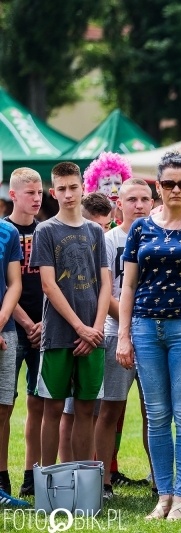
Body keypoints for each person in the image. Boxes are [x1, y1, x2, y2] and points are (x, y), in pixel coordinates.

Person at [116, 152, 181, 521]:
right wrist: (123, 336)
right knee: (157, 414)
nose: (175, 190)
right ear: (157, 187)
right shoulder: (141, 228)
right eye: (167, 184)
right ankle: (162, 496)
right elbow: (128, 285)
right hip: (145, 329)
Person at [31, 162, 111, 466]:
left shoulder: (95, 231)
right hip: (60, 334)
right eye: (61, 189)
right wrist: (81, 329)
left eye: (73, 187)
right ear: (54, 192)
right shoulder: (46, 230)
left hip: (93, 335)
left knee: (87, 409)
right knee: (52, 408)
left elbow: (105, 284)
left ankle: (83, 480)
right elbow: (49, 286)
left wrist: (96, 329)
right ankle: (48, 480)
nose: (68, 194)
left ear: (83, 188)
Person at [96, 178, 154, 501]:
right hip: (115, 332)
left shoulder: (161, 236)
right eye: (132, 199)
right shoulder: (108, 240)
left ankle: (159, 479)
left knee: (154, 412)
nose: (139, 205)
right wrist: (130, 327)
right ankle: (103, 481)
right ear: (119, 202)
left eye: (145, 199)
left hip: (152, 337)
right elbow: (106, 292)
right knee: (109, 410)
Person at [6, 168, 44, 498]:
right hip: (12, 325)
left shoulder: (45, 232)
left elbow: (52, 283)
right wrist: (25, 322)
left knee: (39, 403)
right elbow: (6, 284)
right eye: (30, 192)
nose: (36, 198)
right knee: (4, 403)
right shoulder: (5, 232)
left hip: (44, 328)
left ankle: (32, 477)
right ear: (13, 195)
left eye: (40, 192)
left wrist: (42, 322)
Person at [0, 177, 23, 499]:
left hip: (6, 331)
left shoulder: (9, 233)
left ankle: (1, 482)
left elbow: (14, 283)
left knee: (4, 407)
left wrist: (2, 318)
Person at [83, 152, 133, 225]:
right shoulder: (88, 224)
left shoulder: (122, 226)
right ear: (95, 189)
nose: (114, 190)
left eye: (118, 183)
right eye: (107, 184)